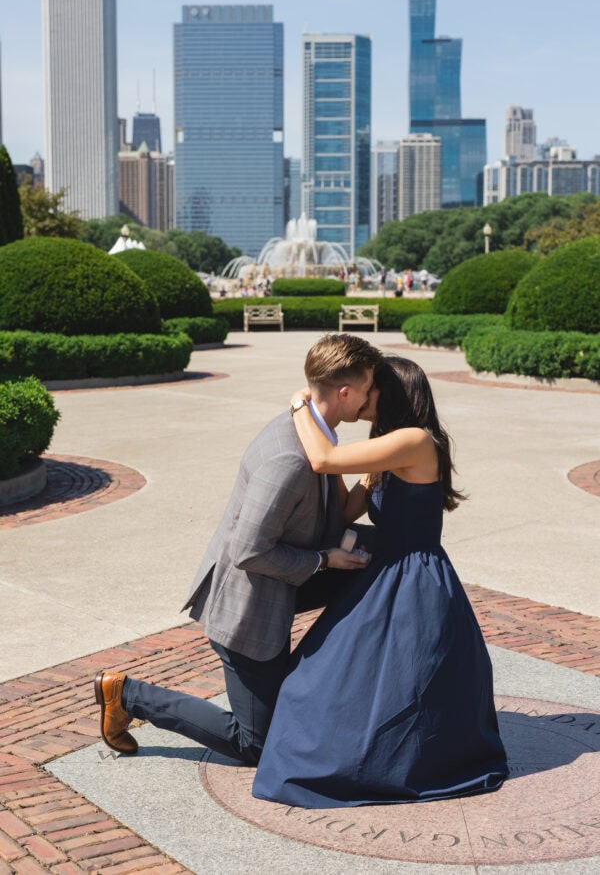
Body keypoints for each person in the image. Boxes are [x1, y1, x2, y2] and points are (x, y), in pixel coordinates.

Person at [94, 334, 381, 765]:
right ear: (345, 393)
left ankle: (317, 681)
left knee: (380, 564)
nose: (369, 398)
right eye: (366, 389)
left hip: (277, 585)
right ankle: (128, 694)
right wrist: (326, 560)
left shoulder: (314, 431)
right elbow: (249, 550)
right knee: (256, 745)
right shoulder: (291, 457)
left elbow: (325, 516)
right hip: (248, 609)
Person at [252, 356, 508, 807]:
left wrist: (301, 405)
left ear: (390, 392)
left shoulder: (413, 441)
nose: (363, 394)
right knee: (328, 678)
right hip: (385, 569)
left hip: (414, 580)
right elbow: (349, 511)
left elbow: (323, 458)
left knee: (399, 687)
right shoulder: (389, 444)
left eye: (371, 387)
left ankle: (382, 763)